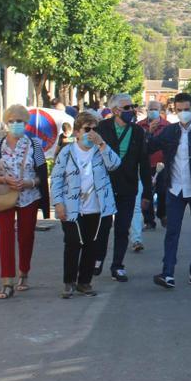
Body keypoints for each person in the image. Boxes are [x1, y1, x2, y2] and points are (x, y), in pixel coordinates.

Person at [148, 92, 191, 288]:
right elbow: (149, 149)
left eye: (186, 110)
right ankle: (167, 273)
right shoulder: (169, 131)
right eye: (179, 110)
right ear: (174, 111)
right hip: (175, 189)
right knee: (172, 232)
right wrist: (151, 132)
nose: (183, 113)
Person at [0, 105, 49, 300]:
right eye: (12, 121)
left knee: (26, 236)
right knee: (5, 236)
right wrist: (5, 180)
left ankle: (24, 272)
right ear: (6, 123)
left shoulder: (35, 145)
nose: (16, 124)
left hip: (29, 197)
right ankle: (7, 281)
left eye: (20, 121)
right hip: (4, 196)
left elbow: (42, 174)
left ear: (26, 123)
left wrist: (30, 182)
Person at [51, 110, 121, 299]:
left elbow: (115, 164)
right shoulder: (67, 152)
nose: (90, 132)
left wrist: (101, 143)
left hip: (97, 206)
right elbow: (56, 179)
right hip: (72, 206)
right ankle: (69, 282)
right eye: (87, 129)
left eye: (94, 129)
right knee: (73, 242)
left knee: (92, 244)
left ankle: (85, 282)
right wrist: (58, 203)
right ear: (77, 132)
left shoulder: (101, 150)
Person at [94, 94, 153, 283]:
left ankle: (117, 266)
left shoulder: (137, 131)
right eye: (127, 108)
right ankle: (98, 258)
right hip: (105, 185)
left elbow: (144, 163)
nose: (132, 111)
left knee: (122, 228)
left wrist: (147, 193)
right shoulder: (102, 128)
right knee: (102, 227)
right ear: (115, 111)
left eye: (133, 107)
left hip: (128, 186)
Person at [137, 100, 171, 239]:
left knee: (162, 191)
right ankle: (149, 220)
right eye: (150, 108)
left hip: (162, 164)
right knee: (147, 193)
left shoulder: (167, 126)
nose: (152, 111)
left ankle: (162, 213)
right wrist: (148, 131)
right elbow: (139, 144)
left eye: (155, 108)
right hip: (146, 164)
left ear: (160, 110)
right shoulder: (140, 126)